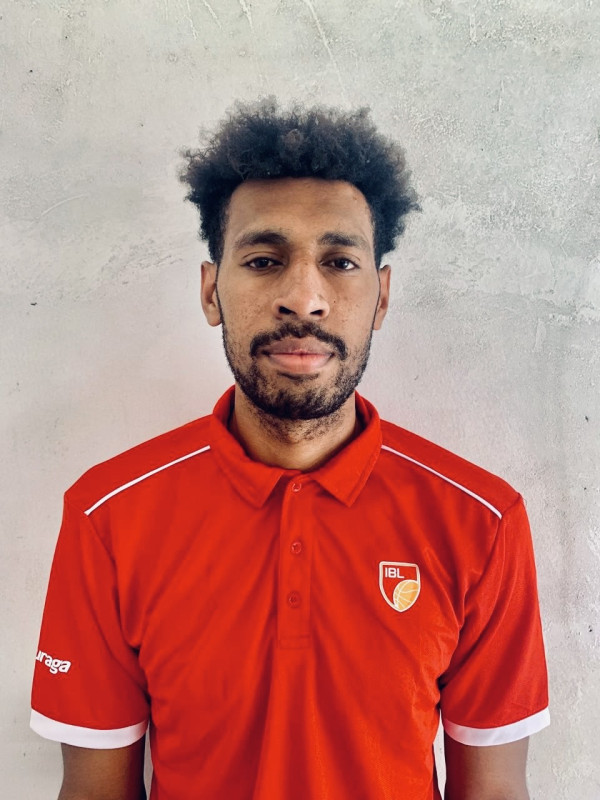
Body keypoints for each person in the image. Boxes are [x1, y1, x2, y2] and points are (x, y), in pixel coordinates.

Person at [30, 100, 549, 800]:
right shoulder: (108, 516)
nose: (303, 298)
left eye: (339, 262)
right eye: (264, 260)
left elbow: (495, 790)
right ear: (212, 292)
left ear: (381, 298)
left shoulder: (482, 521)